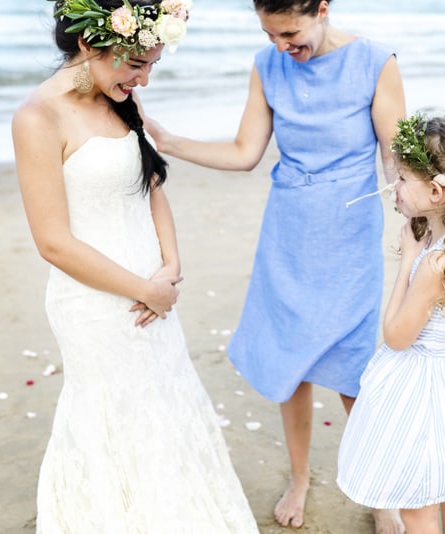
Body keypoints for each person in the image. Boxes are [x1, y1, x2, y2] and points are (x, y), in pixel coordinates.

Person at [145, 0, 406, 529]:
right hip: (288, 233)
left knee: (354, 371)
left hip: (349, 237)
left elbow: (395, 156)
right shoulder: (267, 66)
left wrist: (418, 227)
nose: (281, 46)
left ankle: (383, 495)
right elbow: (245, 153)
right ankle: (301, 478)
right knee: (292, 364)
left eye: (290, 32)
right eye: (270, 34)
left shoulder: (376, 61)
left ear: (323, 9)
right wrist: (171, 143)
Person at [11, 1, 259, 532]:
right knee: (112, 421)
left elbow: (150, 187)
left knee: (166, 410)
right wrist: (145, 289)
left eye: (152, 66)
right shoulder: (38, 117)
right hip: (95, 304)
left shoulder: (121, 102)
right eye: (135, 63)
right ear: (87, 43)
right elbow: (53, 242)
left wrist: (170, 266)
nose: (143, 80)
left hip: (155, 292)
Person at [337, 112, 445, 534]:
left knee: (418, 506)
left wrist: (409, 258)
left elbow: (395, 337)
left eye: (403, 179)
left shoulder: (432, 263)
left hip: (425, 397)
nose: (394, 186)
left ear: (435, 191)